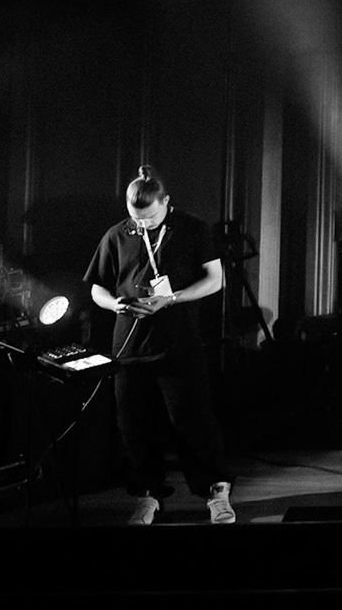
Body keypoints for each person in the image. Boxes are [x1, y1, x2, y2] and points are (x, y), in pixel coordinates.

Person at [85, 165, 234, 524]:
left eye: (150, 217)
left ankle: (216, 491)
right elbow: (97, 288)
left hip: (178, 341)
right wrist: (114, 304)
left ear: (166, 202)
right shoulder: (117, 234)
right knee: (133, 426)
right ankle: (146, 495)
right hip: (130, 346)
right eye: (136, 218)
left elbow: (216, 280)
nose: (143, 225)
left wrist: (173, 298)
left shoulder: (193, 228)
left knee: (192, 420)